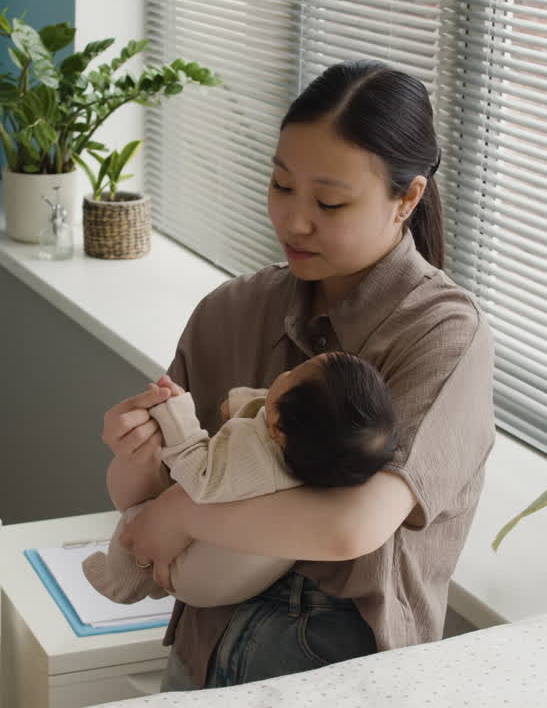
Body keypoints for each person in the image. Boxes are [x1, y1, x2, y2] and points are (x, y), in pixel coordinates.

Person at [103, 59, 495, 690]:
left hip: (340, 664)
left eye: (330, 201)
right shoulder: (231, 311)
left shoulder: (441, 334)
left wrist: (184, 513)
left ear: (409, 197)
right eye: (281, 186)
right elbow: (142, 502)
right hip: (206, 643)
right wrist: (132, 456)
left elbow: (351, 527)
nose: (293, 220)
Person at [84, 352, 399, 607]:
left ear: (277, 425)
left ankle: (121, 585)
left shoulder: (258, 461)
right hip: (229, 577)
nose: (284, 373)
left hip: (199, 575)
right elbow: (267, 412)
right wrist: (243, 403)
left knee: (138, 519)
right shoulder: (315, 447)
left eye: (294, 373)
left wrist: (175, 414)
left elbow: (200, 472)